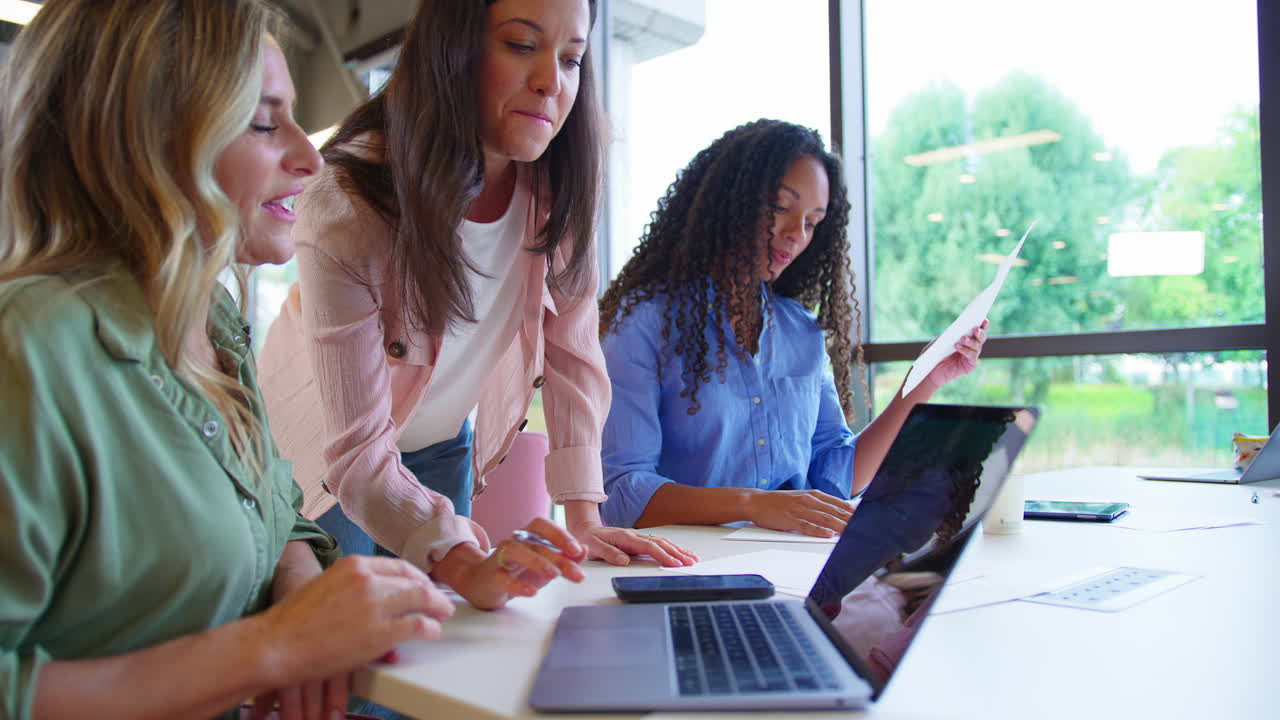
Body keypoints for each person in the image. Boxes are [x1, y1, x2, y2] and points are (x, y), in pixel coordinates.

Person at [0, 2, 580, 718]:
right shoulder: (28, 348)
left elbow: (281, 521)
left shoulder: (209, 323)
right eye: (267, 123)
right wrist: (271, 649)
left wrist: (304, 593)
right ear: (143, 137)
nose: (311, 156)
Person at [258, 0, 697, 596]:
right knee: (365, 660)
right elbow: (358, 454)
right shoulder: (350, 198)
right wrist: (464, 560)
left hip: (443, 441)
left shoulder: (557, 187)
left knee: (444, 642)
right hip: (326, 456)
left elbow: (572, 353)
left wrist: (585, 517)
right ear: (452, 51)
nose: (551, 82)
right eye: (521, 46)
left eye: (572, 59)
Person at [597, 119, 989, 537]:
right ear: (730, 201)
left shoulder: (801, 331)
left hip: (788, 564)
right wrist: (756, 505)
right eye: (781, 208)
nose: (794, 235)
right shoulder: (642, 324)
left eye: (811, 222)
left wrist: (922, 383)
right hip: (686, 572)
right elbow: (621, 494)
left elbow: (834, 478)